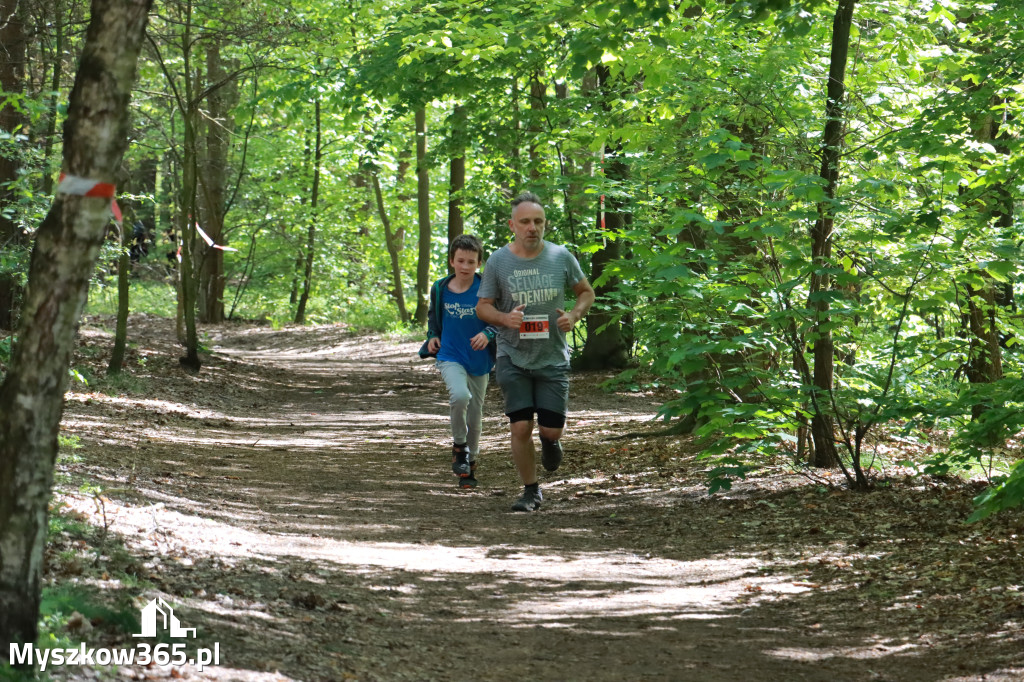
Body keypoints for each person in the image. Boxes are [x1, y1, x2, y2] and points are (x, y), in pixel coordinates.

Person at [477, 192, 595, 512]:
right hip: (512, 355)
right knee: (519, 426)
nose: (532, 227)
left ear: (545, 224)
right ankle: (530, 490)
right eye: (526, 221)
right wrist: (505, 319)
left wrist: (574, 315)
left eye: (538, 221)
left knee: (550, 428)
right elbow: (483, 307)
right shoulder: (498, 262)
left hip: (552, 356)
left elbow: (586, 292)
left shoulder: (560, 257)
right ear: (512, 225)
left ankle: (550, 440)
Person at [420, 234, 497, 488]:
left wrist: (488, 334)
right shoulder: (440, 288)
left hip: (479, 359)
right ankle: (459, 448)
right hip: (450, 355)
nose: (465, 266)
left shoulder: (486, 288)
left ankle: (470, 466)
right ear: (452, 261)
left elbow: (501, 320)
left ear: (479, 263)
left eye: (471, 261)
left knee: (475, 416)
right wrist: (432, 336)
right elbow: (434, 318)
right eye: (460, 260)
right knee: (460, 396)